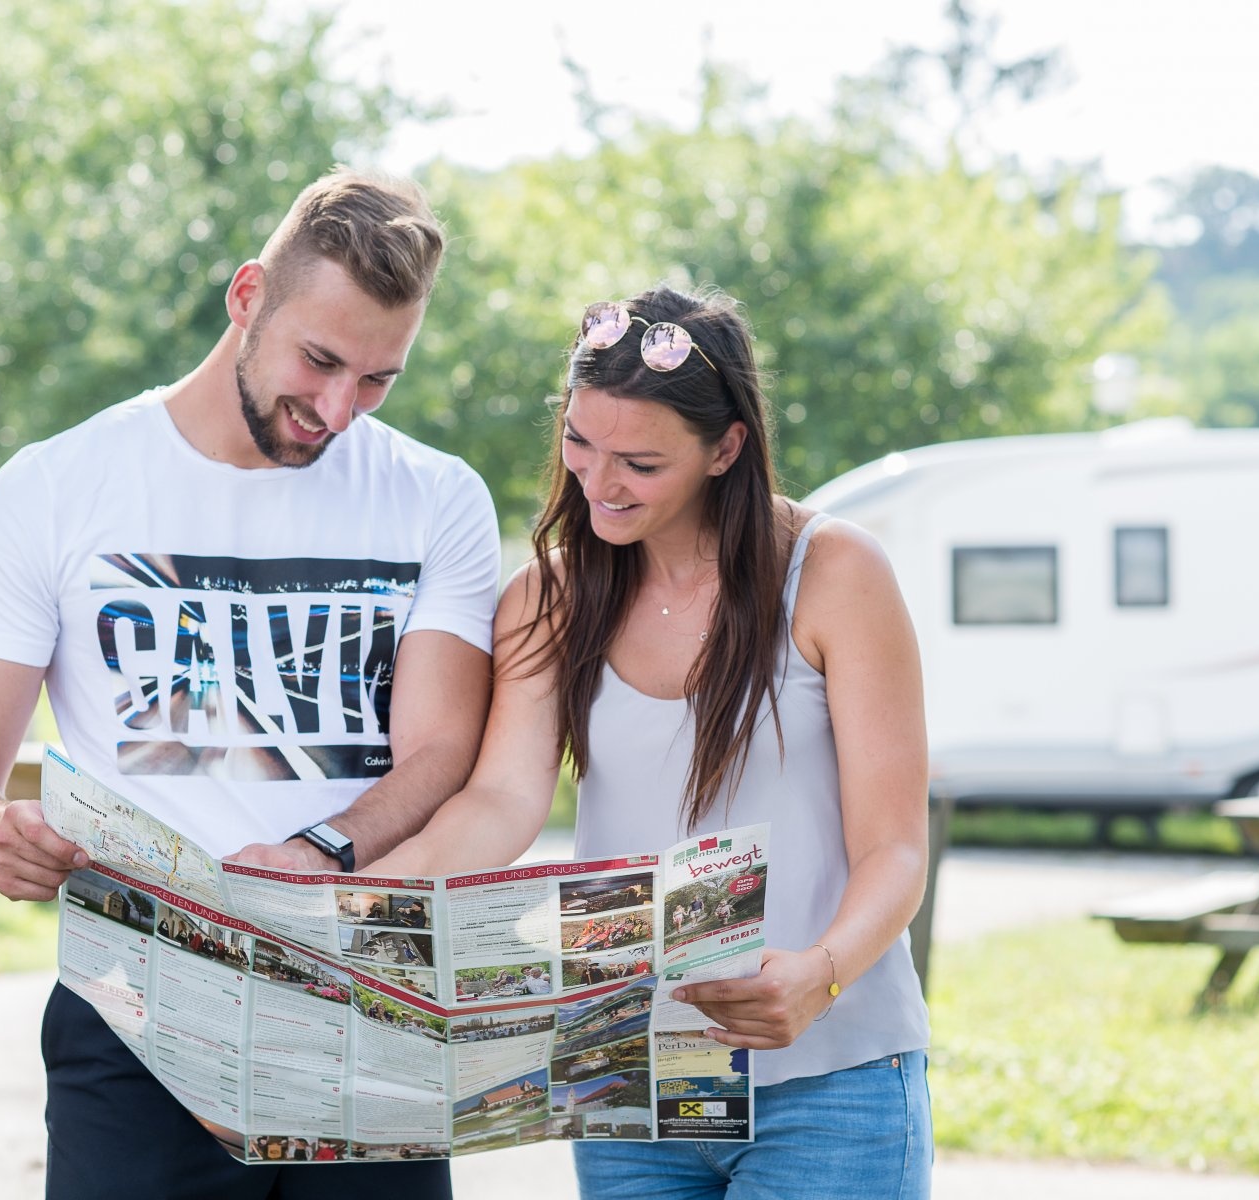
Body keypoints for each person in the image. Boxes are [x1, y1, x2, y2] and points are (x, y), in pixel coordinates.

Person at [0, 167, 500, 1200]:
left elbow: (443, 755)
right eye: (319, 361)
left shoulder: (436, 497)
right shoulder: (55, 488)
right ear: (246, 299)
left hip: (369, 1004)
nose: (337, 408)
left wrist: (324, 851)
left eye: (376, 380)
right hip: (135, 1018)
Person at [368, 284, 933, 1197]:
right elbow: (504, 799)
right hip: (632, 1073)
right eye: (579, 444)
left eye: (639, 461)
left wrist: (820, 977)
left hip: (830, 1077)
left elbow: (898, 847)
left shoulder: (834, 573)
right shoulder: (547, 596)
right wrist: (368, 904)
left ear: (727, 449)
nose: (597, 482)